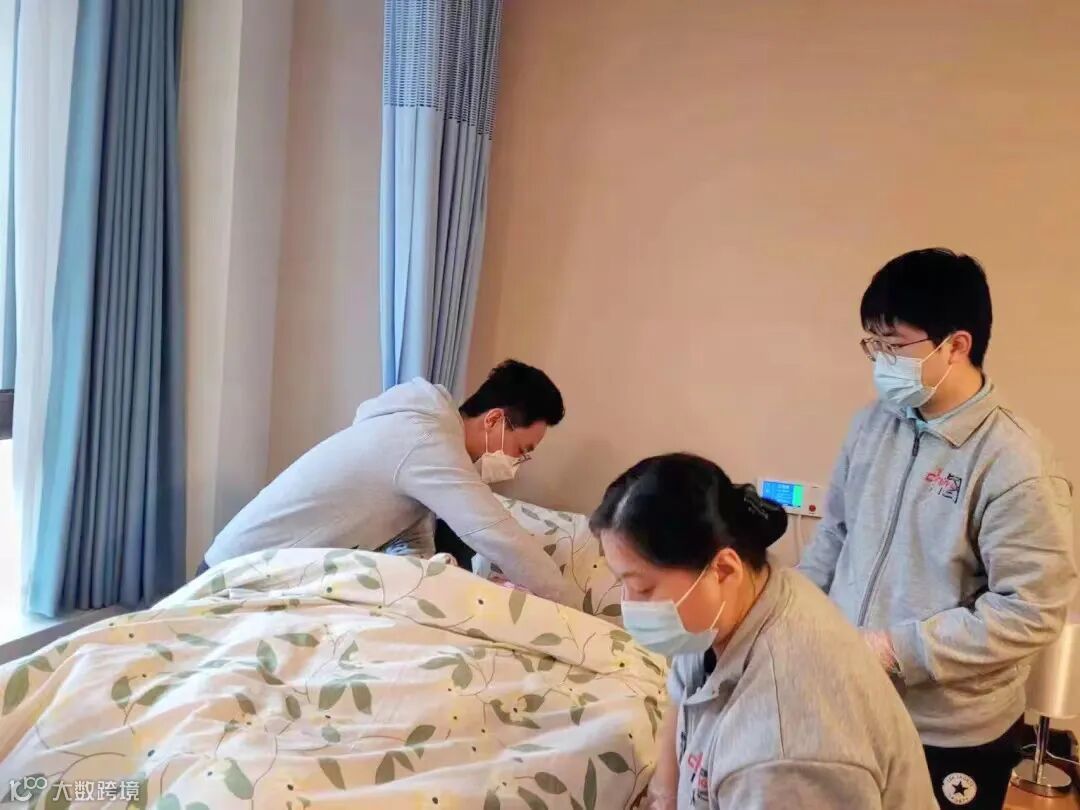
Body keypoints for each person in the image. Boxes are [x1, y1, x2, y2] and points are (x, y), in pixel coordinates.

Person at [798, 248, 1077, 810]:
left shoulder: (1015, 463)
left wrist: (895, 649)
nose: (880, 360)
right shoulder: (871, 425)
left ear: (956, 345)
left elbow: (1030, 610)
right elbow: (835, 535)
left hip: (950, 729)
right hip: (850, 699)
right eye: (873, 344)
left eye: (894, 345)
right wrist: (796, 613)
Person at [592, 453, 936, 810]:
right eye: (622, 583)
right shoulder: (732, 604)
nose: (628, 605)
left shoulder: (783, 754)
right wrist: (664, 795)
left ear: (724, 570)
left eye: (642, 587)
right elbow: (683, 695)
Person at [200, 359, 575, 604]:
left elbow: (412, 541)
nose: (517, 463)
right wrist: (570, 606)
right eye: (521, 449)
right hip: (238, 574)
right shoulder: (426, 440)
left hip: (257, 570)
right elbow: (496, 533)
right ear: (493, 420)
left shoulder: (424, 440)